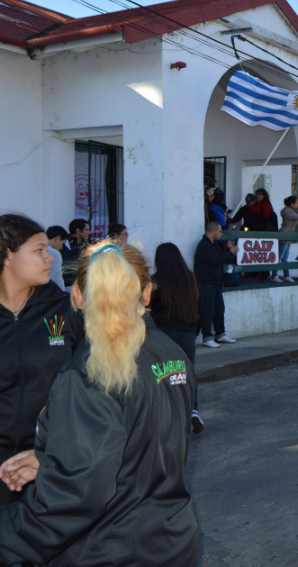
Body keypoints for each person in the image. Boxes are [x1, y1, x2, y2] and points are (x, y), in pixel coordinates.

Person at [0, 240, 198, 565]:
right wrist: (55, 456)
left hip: (106, 550)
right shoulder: (172, 354)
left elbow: (73, 500)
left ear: (78, 295)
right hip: (171, 541)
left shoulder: (87, 374)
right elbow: (142, 446)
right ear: (147, 292)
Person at [0, 215, 79, 506]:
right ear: (7, 255)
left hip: (51, 462)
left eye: (47, 249)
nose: (50, 258)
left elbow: (91, 384)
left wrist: (54, 451)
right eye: (38, 250)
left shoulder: (65, 310)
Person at [151, 242, 205, 433]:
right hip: (187, 334)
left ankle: (168, 414)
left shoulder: (155, 281)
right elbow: (201, 308)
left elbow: (148, 309)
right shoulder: (191, 279)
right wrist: (196, 332)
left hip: (163, 335)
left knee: (163, 376)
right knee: (187, 374)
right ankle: (193, 410)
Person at [193, 222, 238, 348]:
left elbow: (218, 258)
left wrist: (228, 250)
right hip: (206, 283)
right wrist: (231, 253)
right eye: (220, 231)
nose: (221, 234)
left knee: (219, 309)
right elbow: (216, 260)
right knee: (207, 311)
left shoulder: (214, 245)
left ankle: (220, 334)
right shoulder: (204, 245)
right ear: (213, 231)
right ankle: (207, 337)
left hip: (216, 282)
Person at [59, 218, 91, 287]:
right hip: (67, 285)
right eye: (87, 230)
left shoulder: (86, 246)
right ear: (78, 230)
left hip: (83, 284)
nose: (89, 233)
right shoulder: (64, 244)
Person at [45, 225, 67, 290]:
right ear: (57, 238)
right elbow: (56, 278)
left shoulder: (37, 250)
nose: (61, 247)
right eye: (63, 243)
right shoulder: (54, 253)